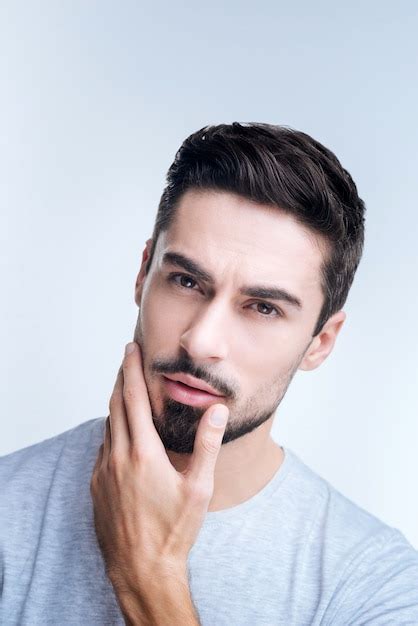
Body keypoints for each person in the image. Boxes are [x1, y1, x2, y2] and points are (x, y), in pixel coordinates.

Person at [1, 122, 417, 625]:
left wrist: (148, 576)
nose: (201, 340)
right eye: (186, 281)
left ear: (320, 342)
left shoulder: (373, 585)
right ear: (143, 273)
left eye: (262, 308)